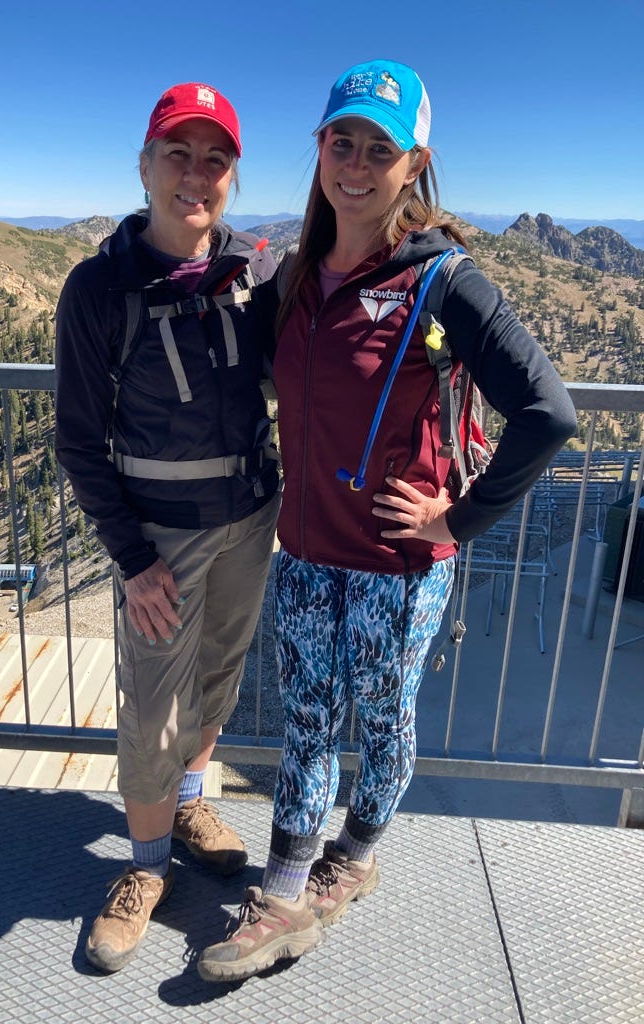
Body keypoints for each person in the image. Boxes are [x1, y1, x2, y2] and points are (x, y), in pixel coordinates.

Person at [197, 58, 577, 983]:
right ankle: (288, 892)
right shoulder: (293, 275)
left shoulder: (445, 281)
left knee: (381, 720)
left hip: (399, 561)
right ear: (320, 149)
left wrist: (461, 518)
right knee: (307, 720)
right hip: (306, 549)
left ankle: (356, 855)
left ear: (415, 165)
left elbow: (549, 413)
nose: (356, 164)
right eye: (342, 142)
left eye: (381, 148)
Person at [54, 81, 280, 974]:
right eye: (177, 154)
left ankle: (190, 803)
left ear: (232, 174)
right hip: (162, 542)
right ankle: (143, 872)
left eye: (214, 157)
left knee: (218, 678)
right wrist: (134, 559)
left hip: (249, 521)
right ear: (145, 166)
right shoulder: (99, 288)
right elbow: (77, 442)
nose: (196, 173)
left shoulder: (255, 273)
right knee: (152, 709)